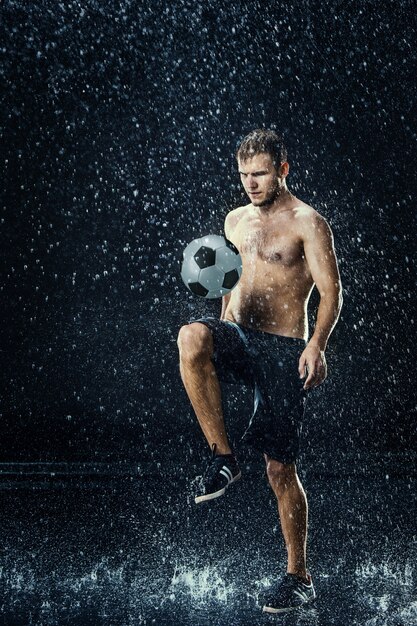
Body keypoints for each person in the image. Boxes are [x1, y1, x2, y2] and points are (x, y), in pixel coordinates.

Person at [177, 129, 343, 613]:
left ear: (283, 170)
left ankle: (299, 577)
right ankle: (222, 458)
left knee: (279, 468)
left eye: (260, 174)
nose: (251, 183)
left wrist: (317, 344)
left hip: (285, 349)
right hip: (240, 336)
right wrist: (222, 320)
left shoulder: (308, 223)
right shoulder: (234, 220)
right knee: (191, 336)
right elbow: (231, 279)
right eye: (244, 174)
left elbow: (332, 294)